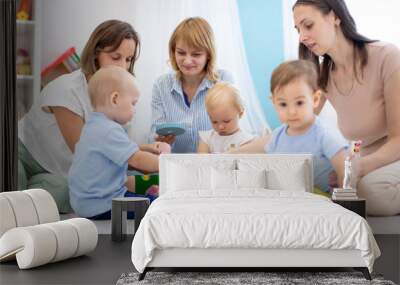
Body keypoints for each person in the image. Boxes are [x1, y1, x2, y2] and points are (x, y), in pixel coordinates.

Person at [18, 20, 140, 213]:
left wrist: (141, 152)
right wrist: (136, 161)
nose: (123, 66)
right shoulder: (67, 90)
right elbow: (87, 152)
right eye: (116, 57)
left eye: (128, 59)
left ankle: (30, 193)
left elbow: (116, 145)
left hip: (56, 168)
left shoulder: (117, 96)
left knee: (72, 195)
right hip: (24, 156)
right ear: (96, 54)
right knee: (10, 195)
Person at [293, 0, 400, 215]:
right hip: (366, 156)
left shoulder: (386, 56)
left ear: (334, 17)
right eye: (298, 30)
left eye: (308, 25)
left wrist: (359, 167)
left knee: (371, 192)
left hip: (395, 152)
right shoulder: (322, 75)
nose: (302, 37)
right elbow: (295, 124)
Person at [68, 66, 170, 219]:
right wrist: (168, 163)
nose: (134, 110)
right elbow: (137, 159)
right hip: (104, 204)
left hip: (86, 203)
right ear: (115, 99)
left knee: (142, 196)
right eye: (133, 103)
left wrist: (148, 147)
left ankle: (142, 196)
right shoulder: (109, 130)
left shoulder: (93, 126)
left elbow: (123, 150)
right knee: (160, 206)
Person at [151, 17, 233, 153]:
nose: (187, 61)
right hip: (175, 166)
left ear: (208, 55)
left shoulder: (223, 79)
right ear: (173, 51)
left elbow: (231, 130)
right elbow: (153, 135)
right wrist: (160, 141)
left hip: (214, 165)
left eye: (196, 54)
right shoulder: (161, 85)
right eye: (181, 53)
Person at [265, 60, 347, 194]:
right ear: (274, 103)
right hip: (288, 196)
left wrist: (345, 199)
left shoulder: (323, 134)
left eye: (299, 103)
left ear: (315, 99)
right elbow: (270, 170)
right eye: (283, 104)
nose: (292, 111)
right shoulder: (276, 137)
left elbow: (344, 166)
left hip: (321, 196)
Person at [197, 82, 254, 153]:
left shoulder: (245, 141)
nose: (220, 127)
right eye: (214, 122)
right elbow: (200, 161)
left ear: (240, 114)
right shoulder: (207, 138)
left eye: (226, 121)